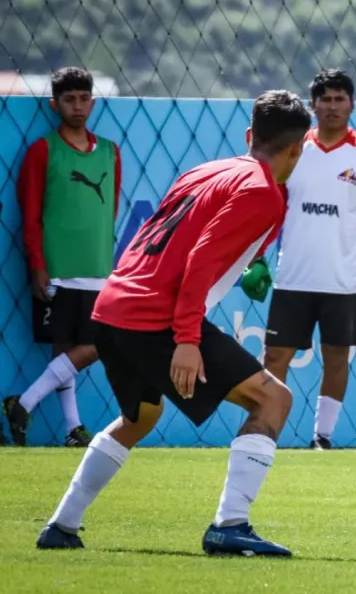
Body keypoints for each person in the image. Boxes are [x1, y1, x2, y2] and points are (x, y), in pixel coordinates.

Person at [35, 90, 312, 557]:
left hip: (112, 307)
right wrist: (187, 339)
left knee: (139, 417)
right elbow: (200, 260)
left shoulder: (203, 170)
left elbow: (170, 239)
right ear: (297, 149)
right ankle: (231, 525)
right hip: (156, 319)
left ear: (249, 135)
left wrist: (249, 262)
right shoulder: (264, 191)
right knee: (273, 398)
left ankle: (61, 525)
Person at [263, 69, 356, 449]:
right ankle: (265, 432)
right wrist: (257, 255)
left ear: (351, 105)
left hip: (344, 280)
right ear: (312, 105)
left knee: (336, 358)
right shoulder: (292, 149)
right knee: (275, 356)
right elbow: (270, 208)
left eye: (340, 99)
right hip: (292, 277)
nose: (333, 106)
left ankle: (322, 437)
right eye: (326, 99)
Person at [5, 67, 122, 447]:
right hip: (57, 268)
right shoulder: (43, 150)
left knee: (93, 345)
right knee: (64, 349)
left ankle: (23, 402)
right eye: (68, 99)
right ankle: (73, 429)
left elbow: (112, 210)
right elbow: (31, 212)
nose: (77, 106)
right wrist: (37, 264)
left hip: (98, 267)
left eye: (83, 98)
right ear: (55, 105)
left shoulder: (109, 151)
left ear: (93, 100)